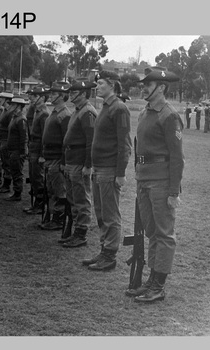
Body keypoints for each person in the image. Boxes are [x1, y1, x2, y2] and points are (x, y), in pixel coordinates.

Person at [127, 67, 184, 302]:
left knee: (164, 233)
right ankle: (151, 280)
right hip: (144, 179)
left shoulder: (169, 115)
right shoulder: (145, 112)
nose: (144, 87)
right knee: (151, 232)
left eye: (148, 85)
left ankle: (158, 286)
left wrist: (173, 192)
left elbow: (177, 157)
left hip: (161, 182)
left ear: (161, 88)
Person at [81, 71, 132, 271]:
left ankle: (110, 255)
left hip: (110, 170)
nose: (98, 86)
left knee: (110, 215)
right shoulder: (106, 107)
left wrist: (120, 173)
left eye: (101, 83)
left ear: (112, 85)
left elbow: (124, 144)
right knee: (101, 213)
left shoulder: (119, 108)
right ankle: (104, 250)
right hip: (100, 169)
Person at [60, 79, 98, 248]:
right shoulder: (78, 110)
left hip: (79, 161)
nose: (71, 95)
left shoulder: (87, 112)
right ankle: (76, 231)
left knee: (81, 198)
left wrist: (88, 165)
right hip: (70, 159)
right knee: (73, 198)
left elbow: (91, 141)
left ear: (83, 94)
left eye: (74, 93)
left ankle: (81, 233)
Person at [39, 82, 74, 232]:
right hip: (49, 157)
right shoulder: (55, 113)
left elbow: (66, 141)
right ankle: (53, 216)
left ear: (61, 96)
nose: (51, 96)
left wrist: (63, 161)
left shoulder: (65, 115)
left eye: (54, 94)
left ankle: (58, 219)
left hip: (57, 158)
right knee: (51, 189)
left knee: (59, 190)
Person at [25, 86, 51, 214]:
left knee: (38, 177)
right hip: (33, 147)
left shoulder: (44, 113)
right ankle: (37, 202)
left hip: (38, 147)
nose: (32, 98)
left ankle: (40, 204)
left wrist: (42, 154)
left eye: (35, 96)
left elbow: (44, 136)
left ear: (42, 98)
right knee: (33, 176)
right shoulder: (36, 111)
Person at [4, 95, 29, 202]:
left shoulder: (21, 119)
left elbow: (24, 137)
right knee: (14, 170)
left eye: (13, 104)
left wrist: (23, 152)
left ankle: (17, 193)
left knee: (17, 172)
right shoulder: (15, 118)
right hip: (12, 150)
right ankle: (16, 191)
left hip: (17, 151)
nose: (11, 106)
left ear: (19, 106)